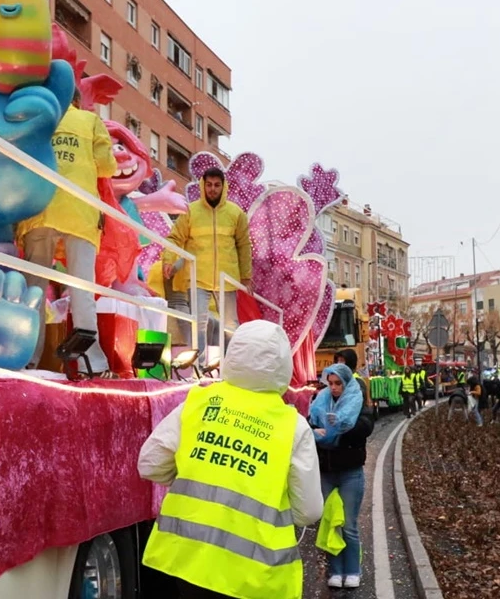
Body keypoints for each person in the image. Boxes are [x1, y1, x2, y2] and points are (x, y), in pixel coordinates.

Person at [138, 320, 322, 599]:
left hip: (185, 562)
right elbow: (308, 511)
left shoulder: (198, 401)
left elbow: (149, 464)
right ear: (284, 364)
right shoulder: (292, 426)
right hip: (254, 575)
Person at [16, 89, 118, 374]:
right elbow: (108, 167)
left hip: (41, 209)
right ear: (78, 102)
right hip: (80, 214)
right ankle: (93, 365)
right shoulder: (90, 121)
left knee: (34, 289)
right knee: (82, 291)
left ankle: (26, 359)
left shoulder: (43, 119)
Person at [163, 167, 253, 364]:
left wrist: (246, 276)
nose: (212, 189)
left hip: (226, 278)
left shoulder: (235, 213)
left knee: (230, 324)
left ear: (223, 186)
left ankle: (232, 364)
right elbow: (175, 238)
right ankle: (200, 365)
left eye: (217, 185)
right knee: (199, 322)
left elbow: (244, 245)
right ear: (203, 185)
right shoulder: (190, 211)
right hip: (198, 277)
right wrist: (169, 260)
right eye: (209, 185)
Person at [309, 363, 371, 589]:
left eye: (338, 384)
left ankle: (353, 570)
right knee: (330, 524)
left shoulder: (358, 402)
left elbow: (365, 427)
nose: (334, 388)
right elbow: (309, 424)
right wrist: (315, 432)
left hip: (350, 474)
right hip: (326, 473)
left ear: (346, 383)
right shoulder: (320, 401)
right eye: (330, 383)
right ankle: (335, 571)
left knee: (349, 525)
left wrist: (343, 428)